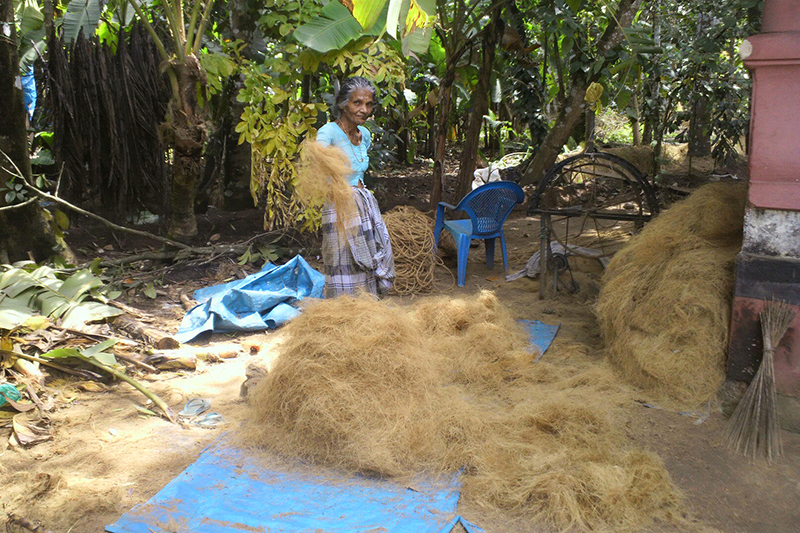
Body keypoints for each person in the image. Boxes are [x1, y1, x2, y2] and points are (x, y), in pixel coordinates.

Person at [315, 77, 395, 297]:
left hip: (365, 203)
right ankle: (344, 310)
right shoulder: (329, 132)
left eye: (368, 104)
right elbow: (317, 164)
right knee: (344, 259)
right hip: (339, 206)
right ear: (343, 104)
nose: (364, 109)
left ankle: (366, 306)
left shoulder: (365, 135)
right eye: (357, 103)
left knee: (370, 255)